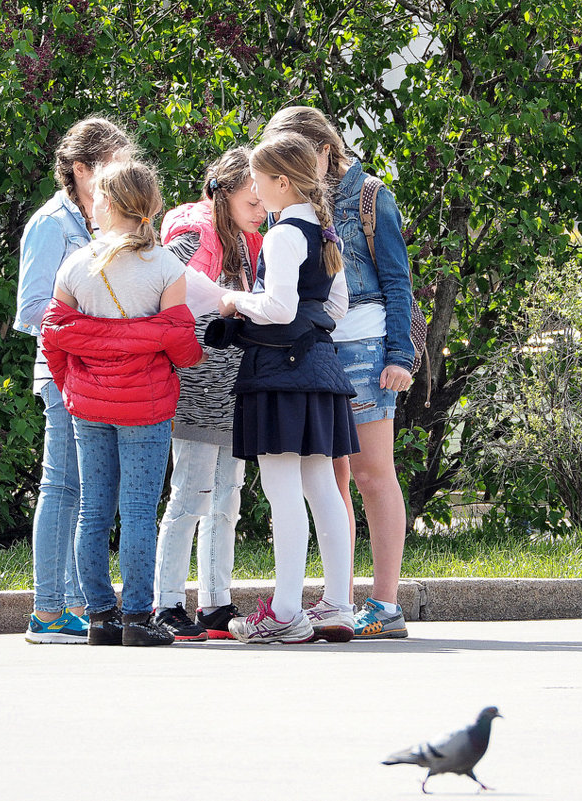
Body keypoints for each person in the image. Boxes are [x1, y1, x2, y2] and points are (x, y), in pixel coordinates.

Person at [263, 106, 414, 639]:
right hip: (317, 349)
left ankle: (386, 603)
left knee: (374, 473)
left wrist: (401, 354)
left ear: (324, 149)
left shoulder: (370, 195)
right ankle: (339, 600)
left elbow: (398, 280)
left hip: (368, 347)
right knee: (332, 477)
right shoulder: (293, 205)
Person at [42, 160, 204, 646]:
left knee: (94, 509)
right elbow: (183, 348)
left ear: (107, 203)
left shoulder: (76, 265)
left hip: (89, 406)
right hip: (147, 406)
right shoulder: (167, 267)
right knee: (137, 510)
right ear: (151, 206)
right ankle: (136, 618)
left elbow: (54, 339)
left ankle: (99, 617)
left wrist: (76, 381)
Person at [219, 133, 359, 644]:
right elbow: (336, 309)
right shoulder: (325, 233)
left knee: (283, 493)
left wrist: (235, 302)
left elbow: (277, 308)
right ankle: (338, 605)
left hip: (279, 371)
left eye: (258, 178)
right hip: (320, 368)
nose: (253, 187)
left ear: (281, 182)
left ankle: (284, 612)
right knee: (322, 487)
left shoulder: (282, 236)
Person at [15, 117, 135, 644]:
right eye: (109, 164)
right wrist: (98, 327)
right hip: (62, 373)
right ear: (80, 169)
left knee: (84, 490)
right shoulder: (51, 223)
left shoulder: (106, 222)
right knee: (62, 485)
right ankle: (47, 611)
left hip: (101, 375)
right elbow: (32, 310)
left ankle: (70, 603)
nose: (120, 174)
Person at [152, 148, 265, 641]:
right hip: (198, 384)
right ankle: (167, 602)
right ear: (223, 194)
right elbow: (168, 281)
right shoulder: (193, 231)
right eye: (251, 201)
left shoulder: (248, 240)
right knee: (189, 496)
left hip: (234, 384)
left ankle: (214, 602)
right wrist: (231, 300)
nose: (261, 210)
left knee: (228, 498)